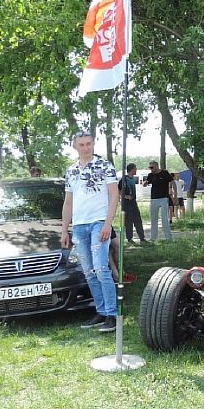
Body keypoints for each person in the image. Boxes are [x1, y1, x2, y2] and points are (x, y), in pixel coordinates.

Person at [61, 132, 118, 333]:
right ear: (75, 147)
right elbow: (68, 202)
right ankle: (101, 311)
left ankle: (112, 314)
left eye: (89, 144)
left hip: (98, 222)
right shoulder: (71, 171)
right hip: (79, 225)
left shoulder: (104, 166)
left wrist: (107, 224)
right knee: (88, 271)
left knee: (101, 267)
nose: (86, 148)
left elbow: (114, 195)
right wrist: (64, 230)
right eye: (82, 145)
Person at [142, 161, 172, 241]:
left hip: (164, 198)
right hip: (154, 199)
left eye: (152, 167)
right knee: (153, 219)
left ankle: (168, 238)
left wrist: (173, 192)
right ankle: (153, 238)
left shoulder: (164, 173)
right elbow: (146, 183)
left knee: (164, 218)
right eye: (149, 168)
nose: (150, 169)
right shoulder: (150, 175)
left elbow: (172, 182)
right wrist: (145, 183)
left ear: (156, 166)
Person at [119, 163, 146, 244]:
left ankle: (142, 238)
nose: (136, 170)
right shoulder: (124, 179)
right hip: (126, 204)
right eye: (135, 168)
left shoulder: (133, 179)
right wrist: (126, 196)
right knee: (128, 222)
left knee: (138, 220)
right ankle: (130, 239)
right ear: (131, 169)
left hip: (133, 203)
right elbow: (118, 190)